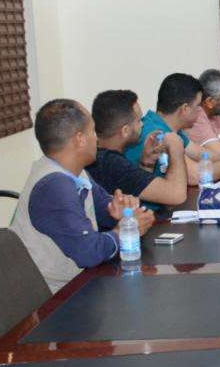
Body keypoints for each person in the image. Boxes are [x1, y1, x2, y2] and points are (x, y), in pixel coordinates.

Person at [11, 99, 155, 292]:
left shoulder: (75, 172)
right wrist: (123, 233)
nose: (97, 139)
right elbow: (89, 252)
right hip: (54, 296)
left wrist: (122, 211)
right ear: (80, 139)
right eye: (93, 131)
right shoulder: (54, 186)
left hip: (80, 282)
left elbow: (104, 207)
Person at [124, 73, 220, 184]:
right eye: (198, 106)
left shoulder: (172, 128)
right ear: (184, 109)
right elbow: (194, 176)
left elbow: (200, 154)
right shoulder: (157, 133)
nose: (200, 111)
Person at [88, 90, 188, 208]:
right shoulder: (111, 162)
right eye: (138, 121)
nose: (142, 124)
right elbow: (177, 195)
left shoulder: (101, 156)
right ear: (125, 131)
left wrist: (147, 161)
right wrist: (176, 147)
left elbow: (137, 190)